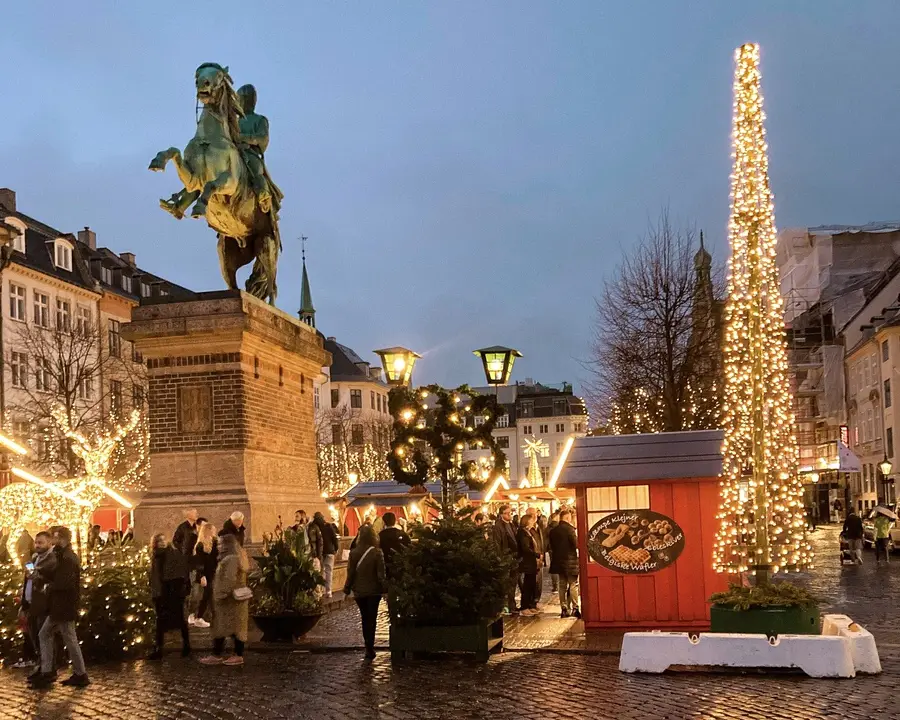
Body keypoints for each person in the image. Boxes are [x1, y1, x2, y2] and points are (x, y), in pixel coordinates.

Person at [30, 526, 89, 689]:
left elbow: (64, 583)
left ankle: (77, 673)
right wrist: (41, 575)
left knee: (67, 637)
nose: (51, 539)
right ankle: (55, 671)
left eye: (53, 536)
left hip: (64, 605)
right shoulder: (62, 555)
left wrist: (47, 586)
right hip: (60, 605)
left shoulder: (68, 558)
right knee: (50, 634)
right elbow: (57, 576)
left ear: (60, 537)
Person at [200, 533, 250, 666]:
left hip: (229, 601)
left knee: (229, 628)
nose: (219, 546)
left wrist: (220, 595)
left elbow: (229, 580)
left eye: (221, 544)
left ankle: (230, 655)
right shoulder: (234, 557)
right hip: (232, 602)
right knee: (229, 629)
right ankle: (222, 654)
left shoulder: (231, 559)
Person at [13, 531, 56, 670]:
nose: (37, 545)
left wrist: (33, 574)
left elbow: (44, 579)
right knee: (34, 637)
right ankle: (41, 666)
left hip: (42, 604)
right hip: (30, 602)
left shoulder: (51, 558)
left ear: (49, 543)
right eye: (36, 542)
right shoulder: (34, 557)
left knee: (43, 637)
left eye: (40, 542)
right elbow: (29, 579)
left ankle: (47, 668)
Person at [343, 525, 385, 661]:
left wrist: (346, 590)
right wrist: (385, 590)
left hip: (359, 592)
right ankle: (370, 647)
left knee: (364, 618)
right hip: (374, 591)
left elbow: (350, 573)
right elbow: (381, 575)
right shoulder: (377, 552)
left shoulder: (353, 553)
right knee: (372, 619)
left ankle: (367, 646)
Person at [149, 533, 191, 659]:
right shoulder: (155, 556)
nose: (161, 542)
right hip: (160, 593)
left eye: (163, 540)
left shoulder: (173, 554)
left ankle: (187, 646)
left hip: (173, 593)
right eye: (159, 540)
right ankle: (159, 648)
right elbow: (155, 575)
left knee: (179, 620)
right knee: (160, 621)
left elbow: (179, 573)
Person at [549, 509, 581, 618]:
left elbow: (551, 546)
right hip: (570, 560)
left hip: (558, 561)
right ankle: (575, 608)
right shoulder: (570, 530)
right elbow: (576, 544)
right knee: (573, 584)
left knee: (562, 585)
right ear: (567, 518)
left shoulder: (553, 531)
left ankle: (563, 608)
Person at [492, 504, 519, 614]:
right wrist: (500, 558)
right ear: (501, 514)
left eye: (510, 513)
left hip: (513, 557)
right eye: (507, 513)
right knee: (505, 583)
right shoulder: (498, 526)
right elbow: (497, 543)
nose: (509, 515)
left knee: (513, 583)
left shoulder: (512, 525)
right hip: (505, 557)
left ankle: (512, 605)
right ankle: (505, 606)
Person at [191, 523, 218, 628]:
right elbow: (199, 562)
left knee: (210, 595)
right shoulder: (200, 545)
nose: (214, 532)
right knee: (206, 595)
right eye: (212, 530)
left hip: (212, 572)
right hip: (205, 574)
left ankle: (212, 617)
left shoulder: (214, 542)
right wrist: (201, 575)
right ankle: (198, 617)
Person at [517, 514, 541, 616]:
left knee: (531, 584)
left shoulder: (528, 532)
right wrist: (536, 554)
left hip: (531, 562)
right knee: (527, 585)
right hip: (527, 562)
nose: (533, 522)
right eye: (531, 520)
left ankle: (530, 605)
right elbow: (525, 548)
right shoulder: (522, 533)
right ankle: (524, 607)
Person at [378, 512, 411, 579]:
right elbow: (409, 547)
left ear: (384, 522)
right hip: (401, 565)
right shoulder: (402, 534)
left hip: (386, 565)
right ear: (395, 521)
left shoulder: (380, 536)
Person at [314, 512, 338, 598]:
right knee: (329, 571)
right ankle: (329, 591)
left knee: (321, 571)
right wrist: (336, 548)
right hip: (330, 552)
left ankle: (321, 591)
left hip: (320, 553)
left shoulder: (315, 527)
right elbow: (334, 538)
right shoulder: (328, 526)